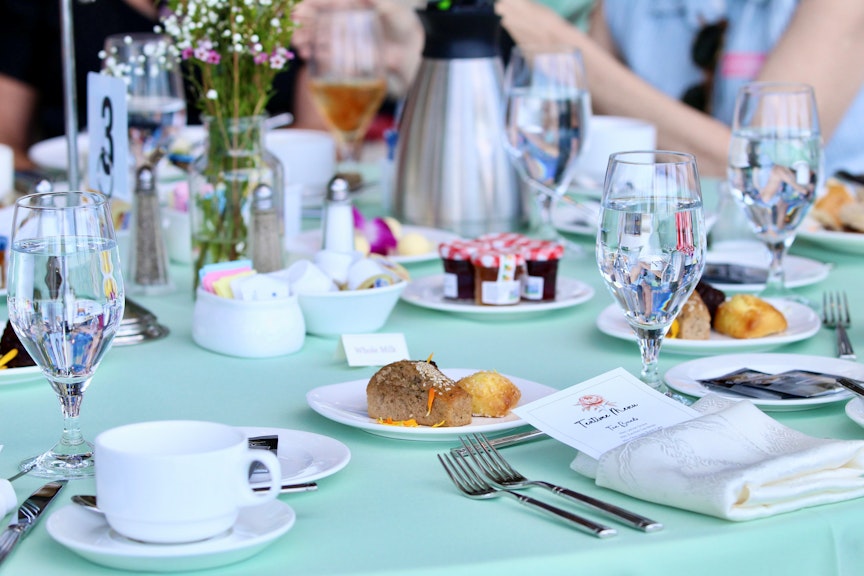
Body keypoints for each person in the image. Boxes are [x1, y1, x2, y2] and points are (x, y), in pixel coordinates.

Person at [496, 0, 864, 178]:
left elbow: (766, 170)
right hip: (662, 244)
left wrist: (553, 40)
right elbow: (581, 138)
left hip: (823, 261)